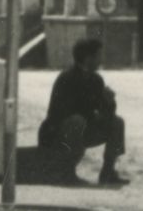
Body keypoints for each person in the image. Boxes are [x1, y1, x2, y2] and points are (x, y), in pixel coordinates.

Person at [38, 37, 126, 187]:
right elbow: (60, 113)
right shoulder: (66, 78)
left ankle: (108, 172)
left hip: (82, 128)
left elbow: (105, 113)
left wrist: (109, 102)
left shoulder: (96, 79)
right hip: (57, 134)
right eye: (98, 56)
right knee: (76, 121)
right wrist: (89, 110)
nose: (100, 60)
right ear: (87, 58)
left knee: (117, 122)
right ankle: (67, 172)